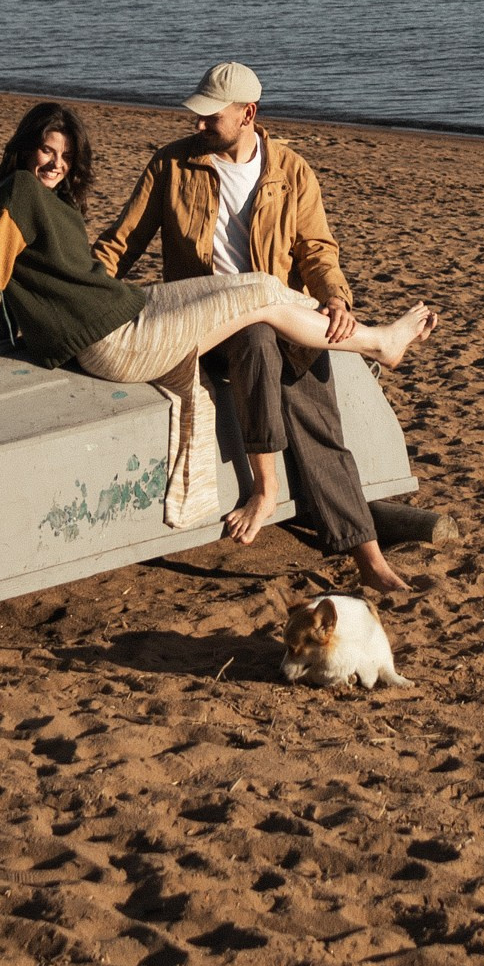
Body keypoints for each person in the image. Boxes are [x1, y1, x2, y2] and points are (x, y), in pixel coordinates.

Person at [0, 98, 435, 532]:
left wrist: (16, 331)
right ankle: (378, 343)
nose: (55, 163)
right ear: (24, 150)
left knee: (263, 288)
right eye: (45, 151)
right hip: (116, 340)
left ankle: (371, 342)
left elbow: (57, 280)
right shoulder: (18, 191)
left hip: (131, 307)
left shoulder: (54, 200)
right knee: (264, 298)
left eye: (63, 155)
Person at [93, 60, 411, 592]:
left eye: (210, 117)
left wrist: (335, 298)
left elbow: (316, 249)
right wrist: (85, 293)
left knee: (320, 426)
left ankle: (370, 559)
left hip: (287, 319)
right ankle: (265, 489)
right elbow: (121, 243)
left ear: (248, 114)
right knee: (256, 335)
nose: (197, 126)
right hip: (212, 328)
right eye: (196, 116)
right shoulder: (172, 166)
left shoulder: (290, 170)